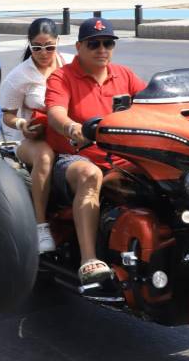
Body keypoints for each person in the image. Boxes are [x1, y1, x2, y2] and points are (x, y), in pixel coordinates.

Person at [45, 18, 146, 284]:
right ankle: (89, 260)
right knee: (91, 176)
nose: (102, 49)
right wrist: (72, 128)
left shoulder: (124, 74)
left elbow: (153, 102)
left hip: (122, 158)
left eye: (108, 43)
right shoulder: (62, 76)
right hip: (75, 157)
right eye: (94, 44)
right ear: (79, 46)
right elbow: (55, 112)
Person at [0, 18, 72, 253]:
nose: (43, 53)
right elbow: (7, 115)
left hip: (69, 132)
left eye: (49, 47)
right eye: (37, 47)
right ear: (29, 45)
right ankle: (41, 225)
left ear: (58, 42)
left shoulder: (71, 64)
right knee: (46, 156)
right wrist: (22, 123)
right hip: (34, 139)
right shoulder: (19, 75)